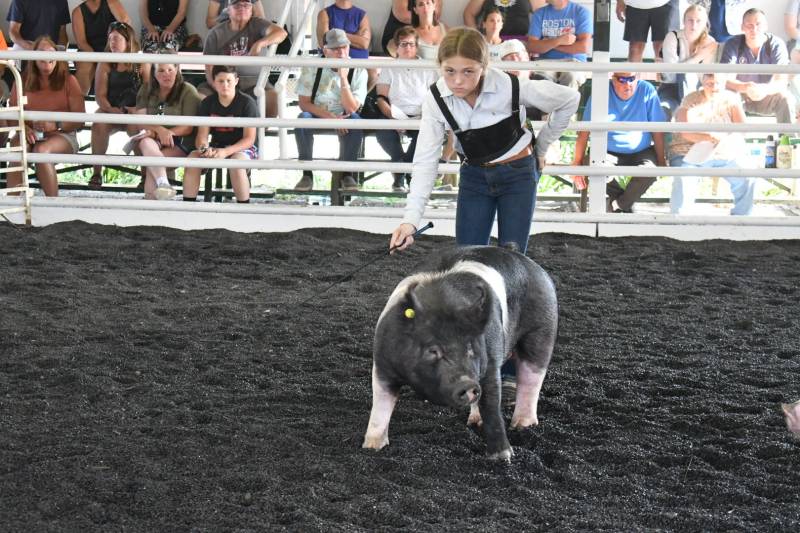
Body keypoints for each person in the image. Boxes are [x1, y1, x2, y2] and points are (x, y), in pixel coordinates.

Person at [389, 27, 579, 254]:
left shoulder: (510, 85)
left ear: (484, 66)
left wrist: (541, 147)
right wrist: (411, 221)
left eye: (468, 71)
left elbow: (569, 99)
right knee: (467, 257)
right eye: (449, 71)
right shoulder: (436, 98)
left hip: (518, 174)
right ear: (439, 66)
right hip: (474, 176)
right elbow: (426, 160)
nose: (458, 80)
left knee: (513, 258)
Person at [571, 72, 666, 213]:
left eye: (631, 79)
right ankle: (623, 205)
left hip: (642, 151)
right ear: (613, 79)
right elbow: (584, 132)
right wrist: (576, 162)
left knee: (650, 171)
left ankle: (616, 205)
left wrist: (661, 160)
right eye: (622, 80)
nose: (627, 84)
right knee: (593, 167)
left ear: (637, 78)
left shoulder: (646, 89)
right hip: (606, 152)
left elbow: (658, 131)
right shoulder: (601, 91)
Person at [6, 37, 85, 197]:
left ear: (57, 56)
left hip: (63, 135)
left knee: (41, 150)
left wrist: (56, 124)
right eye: (41, 53)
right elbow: (12, 116)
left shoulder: (69, 80)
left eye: (50, 52)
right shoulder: (21, 80)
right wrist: (25, 128)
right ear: (33, 58)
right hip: (29, 133)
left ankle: (52, 202)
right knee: (17, 146)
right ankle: (12, 202)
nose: (46, 58)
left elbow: (79, 120)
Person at [668, 72, 756, 216]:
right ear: (703, 83)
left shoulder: (731, 99)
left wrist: (726, 138)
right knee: (684, 176)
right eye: (710, 83)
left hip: (726, 152)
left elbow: (743, 129)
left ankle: (742, 217)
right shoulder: (691, 99)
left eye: (718, 83)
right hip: (694, 152)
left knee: (748, 174)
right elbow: (685, 132)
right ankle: (679, 219)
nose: (714, 87)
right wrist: (708, 137)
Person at [293, 29, 368, 193]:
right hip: (318, 113)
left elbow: (352, 108)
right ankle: (307, 173)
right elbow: (304, 103)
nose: (341, 53)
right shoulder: (312, 66)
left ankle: (348, 173)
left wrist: (343, 79)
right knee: (302, 119)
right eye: (335, 49)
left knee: (355, 119)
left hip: (346, 115)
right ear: (325, 50)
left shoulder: (359, 70)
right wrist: (332, 118)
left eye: (344, 47)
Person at [375, 26, 438, 192]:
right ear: (397, 46)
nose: (408, 48)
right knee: (382, 131)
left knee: (428, 132)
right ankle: (401, 165)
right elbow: (381, 98)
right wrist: (392, 117)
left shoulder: (427, 67)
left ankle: (403, 171)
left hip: (421, 115)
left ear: (416, 46)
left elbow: (434, 97)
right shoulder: (389, 67)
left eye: (411, 44)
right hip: (394, 113)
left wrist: (424, 116)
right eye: (403, 44)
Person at [183, 65, 258, 204]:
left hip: (243, 148)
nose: (225, 85)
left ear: (236, 81)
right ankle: (188, 205)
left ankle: (244, 208)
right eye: (220, 81)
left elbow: (249, 139)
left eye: (229, 80)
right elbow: (202, 136)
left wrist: (226, 151)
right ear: (213, 82)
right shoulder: (207, 103)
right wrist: (204, 149)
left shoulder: (247, 103)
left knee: (236, 163)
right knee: (193, 158)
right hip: (217, 146)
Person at [89, 21, 150, 190]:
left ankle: (145, 174)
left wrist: (136, 110)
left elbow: (148, 94)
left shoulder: (141, 62)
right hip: (112, 108)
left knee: (135, 126)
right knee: (99, 122)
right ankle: (96, 172)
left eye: (116, 39)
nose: (113, 43)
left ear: (128, 41)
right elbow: (100, 96)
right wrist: (111, 109)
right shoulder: (105, 62)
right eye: (110, 39)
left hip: (135, 109)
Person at [202, 0, 287, 118]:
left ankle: (256, 134)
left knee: (273, 97)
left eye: (246, 5)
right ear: (228, 10)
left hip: (255, 82)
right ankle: (216, 132)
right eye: (237, 6)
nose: (242, 8)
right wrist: (220, 89)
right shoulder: (215, 33)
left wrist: (259, 44)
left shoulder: (258, 24)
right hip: (223, 82)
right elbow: (209, 69)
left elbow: (281, 33)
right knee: (200, 97)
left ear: (251, 9)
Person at [131, 58, 201, 200]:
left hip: (181, 141)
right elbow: (140, 120)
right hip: (154, 139)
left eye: (170, 70)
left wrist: (168, 133)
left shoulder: (188, 90)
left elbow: (188, 127)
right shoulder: (146, 88)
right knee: (145, 144)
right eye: (161, 71)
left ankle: (150, 202)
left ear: (177, 70)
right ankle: (163, 185)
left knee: (154, 164)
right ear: (154, 74)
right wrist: (159, 130)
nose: (166, 74)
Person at [720, 8, 795, 125]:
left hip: (768, 94)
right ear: (742, 27)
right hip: (741, 95)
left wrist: (764, 89)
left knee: (786, 98)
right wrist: (746, 87)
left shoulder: (776, 44)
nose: (754, 29)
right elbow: (724, 78)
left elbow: (781, 80)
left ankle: (787, 140)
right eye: (749, 25)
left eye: (758, 24)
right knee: (726, 97)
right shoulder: (733, 44)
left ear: (766, 26)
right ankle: (730, 140)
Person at [658, 4, 717, 120]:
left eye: (698, 21)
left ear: (705, 24)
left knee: (687, 75)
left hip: (699, 90)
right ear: (684, 21)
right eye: (690, 20)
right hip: (671, 88)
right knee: (663, 110)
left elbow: (704, 78)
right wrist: (697, 58)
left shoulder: (710, 42)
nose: (694, 25)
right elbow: (670, 75)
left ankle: (687, 116)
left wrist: (685, 68)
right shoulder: (673, 37)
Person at [527, 0, 592, 89]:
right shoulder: (539, 13)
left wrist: (548, 43)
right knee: (540, 78)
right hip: (545, 62)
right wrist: (559, 40)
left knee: (570, 76)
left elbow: (583, 47)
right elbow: (532, 46)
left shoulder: (581, 12)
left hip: (574, 62)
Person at [71, 0, 131, 95]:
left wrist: (109, 53)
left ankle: (119, 103)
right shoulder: (77, 12)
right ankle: (78, 103)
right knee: (84, 65)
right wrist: (96, 58)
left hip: (113, 49)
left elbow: (126, 30)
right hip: (89, 51)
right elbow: (81, 42)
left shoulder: (112, 3)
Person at [463, 0, 546, 41]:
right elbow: (469, 13)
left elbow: (543, 16)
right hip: (491, 42)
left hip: (520, 43)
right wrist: (477, 37)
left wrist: (534, 42)